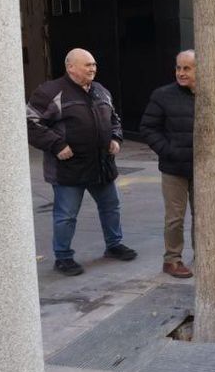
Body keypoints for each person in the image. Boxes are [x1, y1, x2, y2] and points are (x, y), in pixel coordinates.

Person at [27, 48, 138, 276]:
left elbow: (115, 119)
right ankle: (63, 257)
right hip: (68, 169)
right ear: (70, 67)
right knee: (66, 215)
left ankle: (114, 245)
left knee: (110, 207)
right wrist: (57, 145)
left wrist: (116, 137)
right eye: (87, 64)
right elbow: (30, 123)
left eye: (94, 65)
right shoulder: (50, 92)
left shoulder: (101, 91)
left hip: (101, 165)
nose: (93, 68)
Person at [139, 50, 197, 279]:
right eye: (178, 68)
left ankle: (203, 254)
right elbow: (148, 128)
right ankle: (172, 260)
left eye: (187, 68)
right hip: (174, 169)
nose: (181, 73)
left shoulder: (211, 93)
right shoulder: (162, 95)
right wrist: (168, 151)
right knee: (175, 217)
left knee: (203, 215)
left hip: (203, 168)